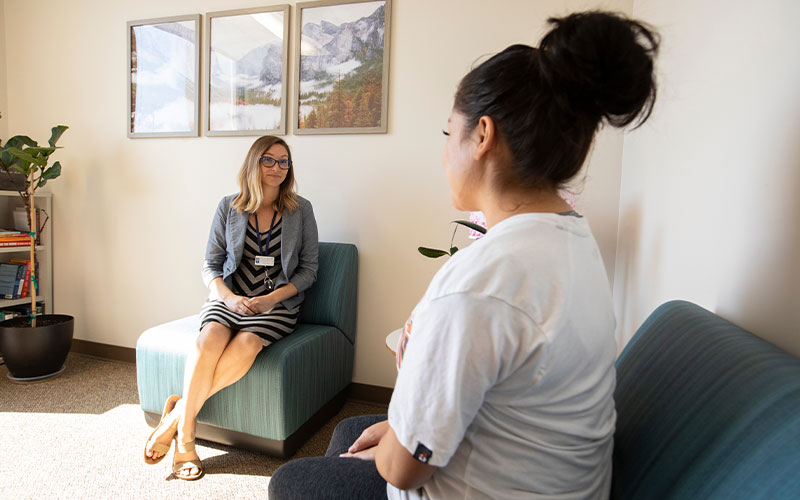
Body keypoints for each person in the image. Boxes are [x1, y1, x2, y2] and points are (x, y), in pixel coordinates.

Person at [268, 10, 658, 500]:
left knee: (292, 482)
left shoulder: (482, 284)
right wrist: (397, 429)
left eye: (448, 132)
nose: (445, 150)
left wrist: (399, 426)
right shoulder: (570, 240)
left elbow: (405, 472)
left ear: (482, 136)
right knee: (350, 434)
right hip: (554, 476)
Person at [143, 135, 319, 480]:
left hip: (276, 302)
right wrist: (228, 297)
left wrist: (271, 298)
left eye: (284, 161)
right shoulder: (230, 206)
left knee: (248, 344)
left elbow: (309, 269)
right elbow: (210, 265)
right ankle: (187, 440)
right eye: (269, 160)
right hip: (231, 296)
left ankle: (178, 417)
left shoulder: (302, 210)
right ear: (254, 163)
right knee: (208, 340)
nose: (278, 168)